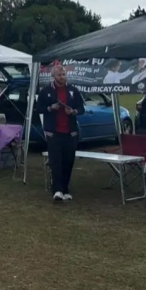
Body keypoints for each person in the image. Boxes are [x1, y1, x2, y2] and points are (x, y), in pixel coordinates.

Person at [37, 65, 85, 202]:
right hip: (54, 132)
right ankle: (57, 190)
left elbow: (81, 108)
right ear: (53, 76)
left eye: (63, 75)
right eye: (59, 75)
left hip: (70, 132)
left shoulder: (73, 90)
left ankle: (65, 189)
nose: (62, 77)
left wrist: (73, 111)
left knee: (68, 161)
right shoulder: (46, 91)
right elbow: (39, 108)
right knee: (55, 162)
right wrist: (50, 108)